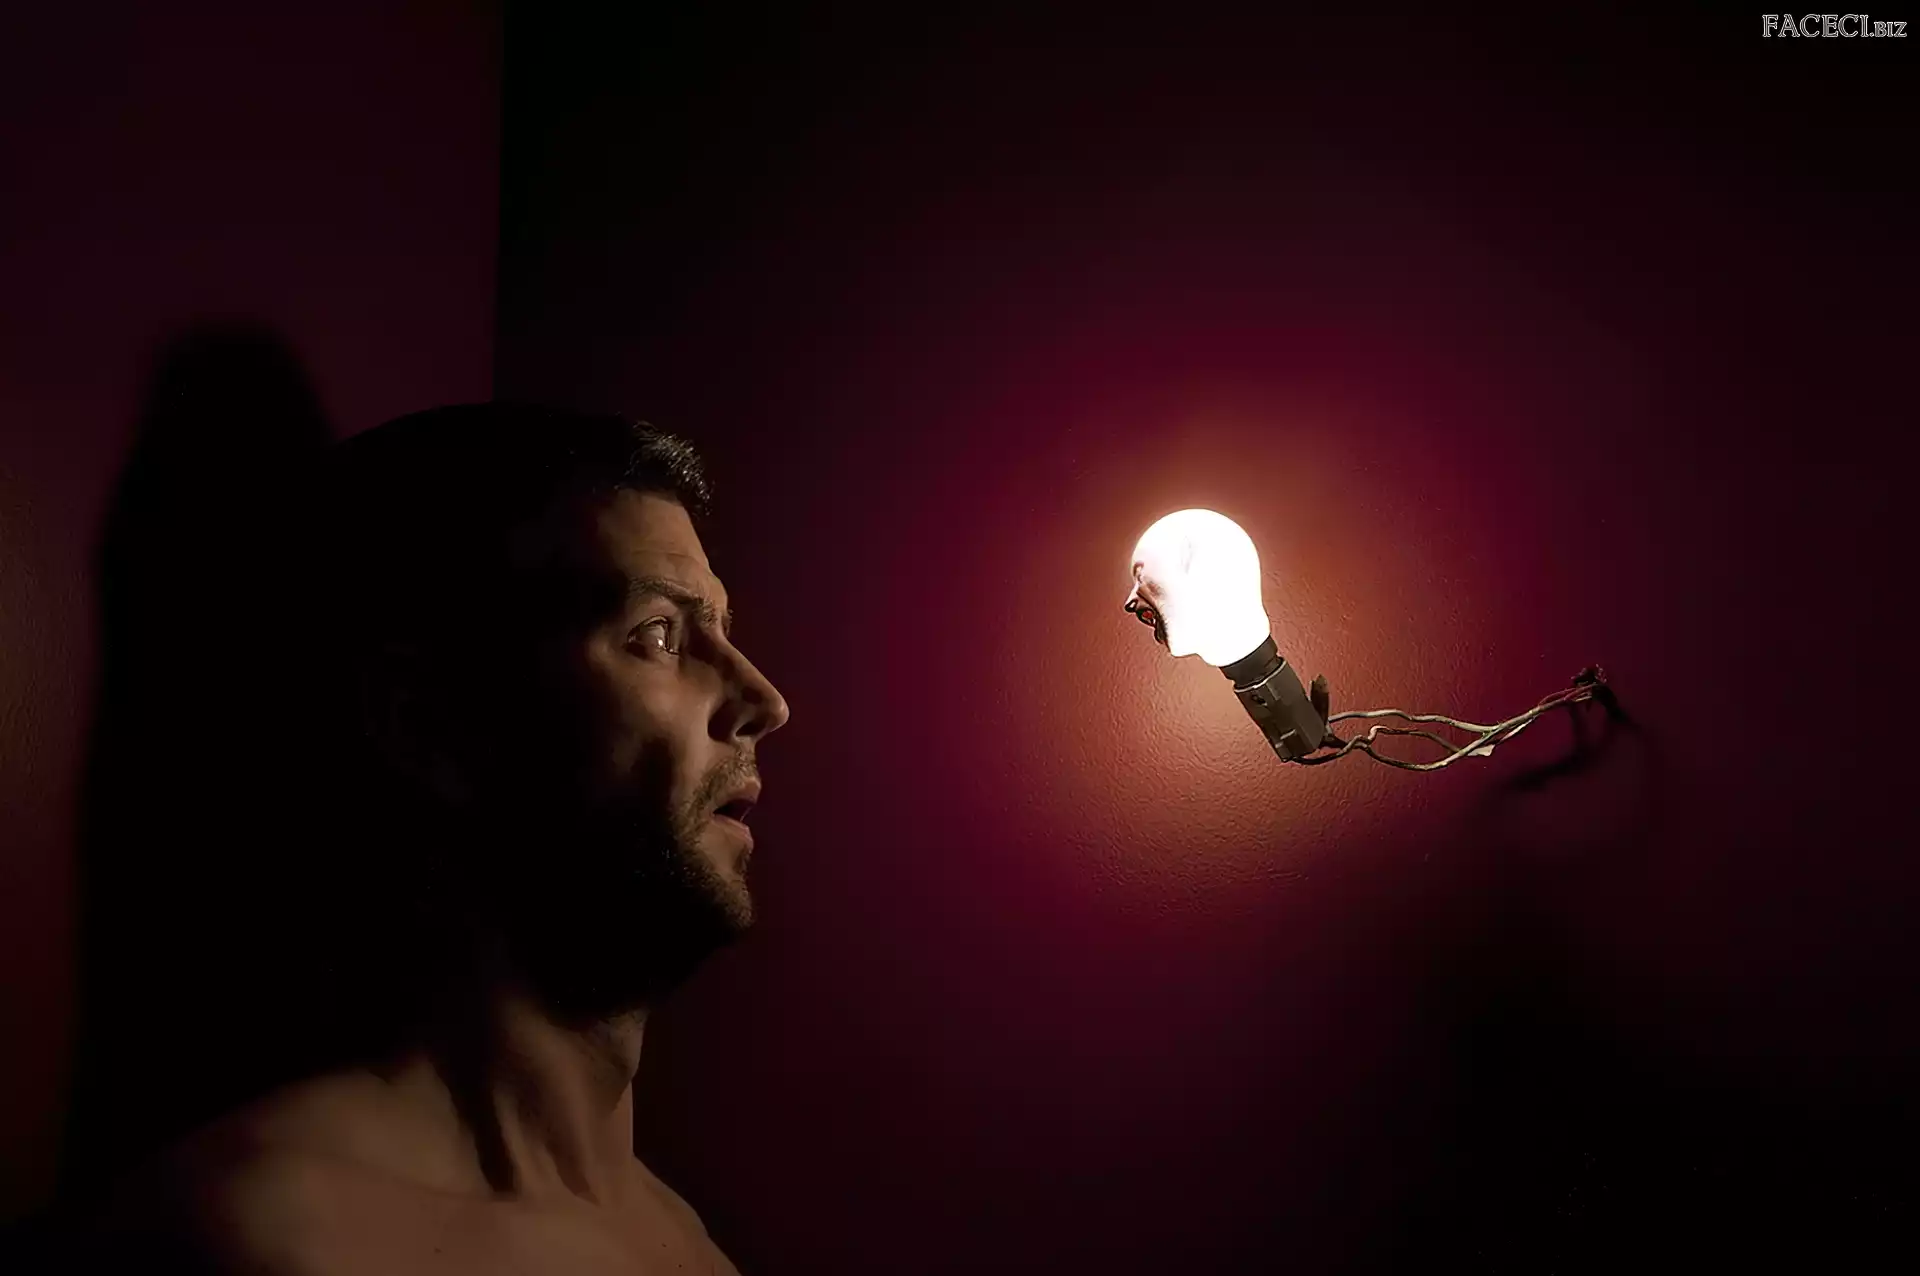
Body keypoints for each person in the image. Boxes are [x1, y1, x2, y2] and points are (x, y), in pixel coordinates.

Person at [61, 403, 790, 1273]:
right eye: (658, 635)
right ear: (431, 728)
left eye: (723, 629)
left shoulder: (689, 1245)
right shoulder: (270, 1241)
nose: (764, 700)